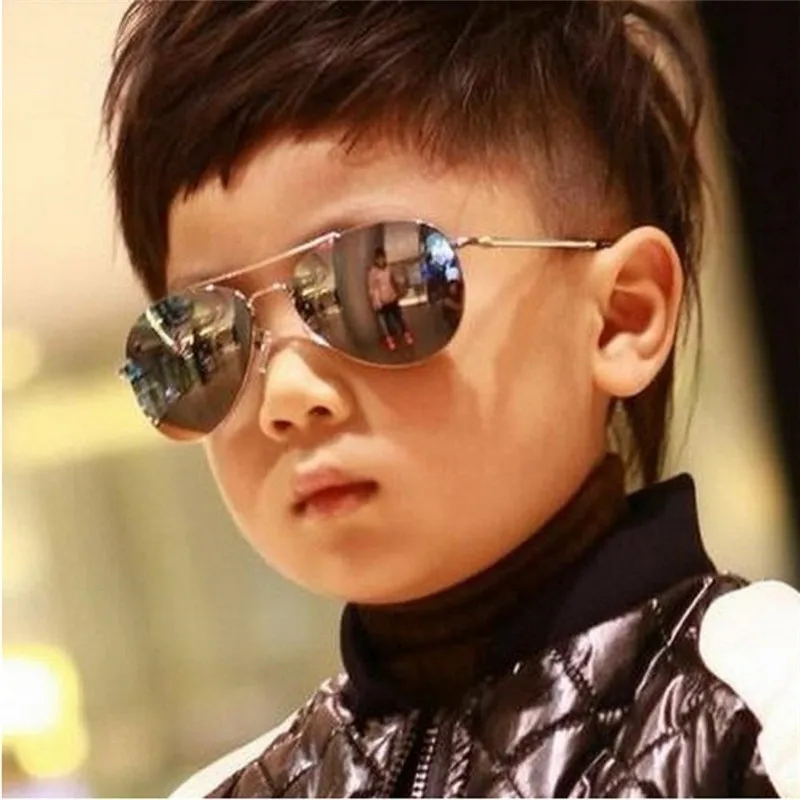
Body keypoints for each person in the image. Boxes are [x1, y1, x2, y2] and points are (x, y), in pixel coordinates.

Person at [103, 2, 800, 797]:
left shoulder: (768, 708)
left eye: (379, 281)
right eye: (202, 339)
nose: (286, 395)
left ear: (620, 316)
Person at [367, 246, 413, 350]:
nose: (381, 260)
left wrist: (397, 291)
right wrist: (374, 301)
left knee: (399, 317)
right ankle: (389, 340)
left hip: (392, 297)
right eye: (378, 258)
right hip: (380, 301)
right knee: (384, 322)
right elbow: (371, 288)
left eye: (382, 257)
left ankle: (406, 334)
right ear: (375, 259)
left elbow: (392, 280)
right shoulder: (373, 272)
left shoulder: (388, 268)